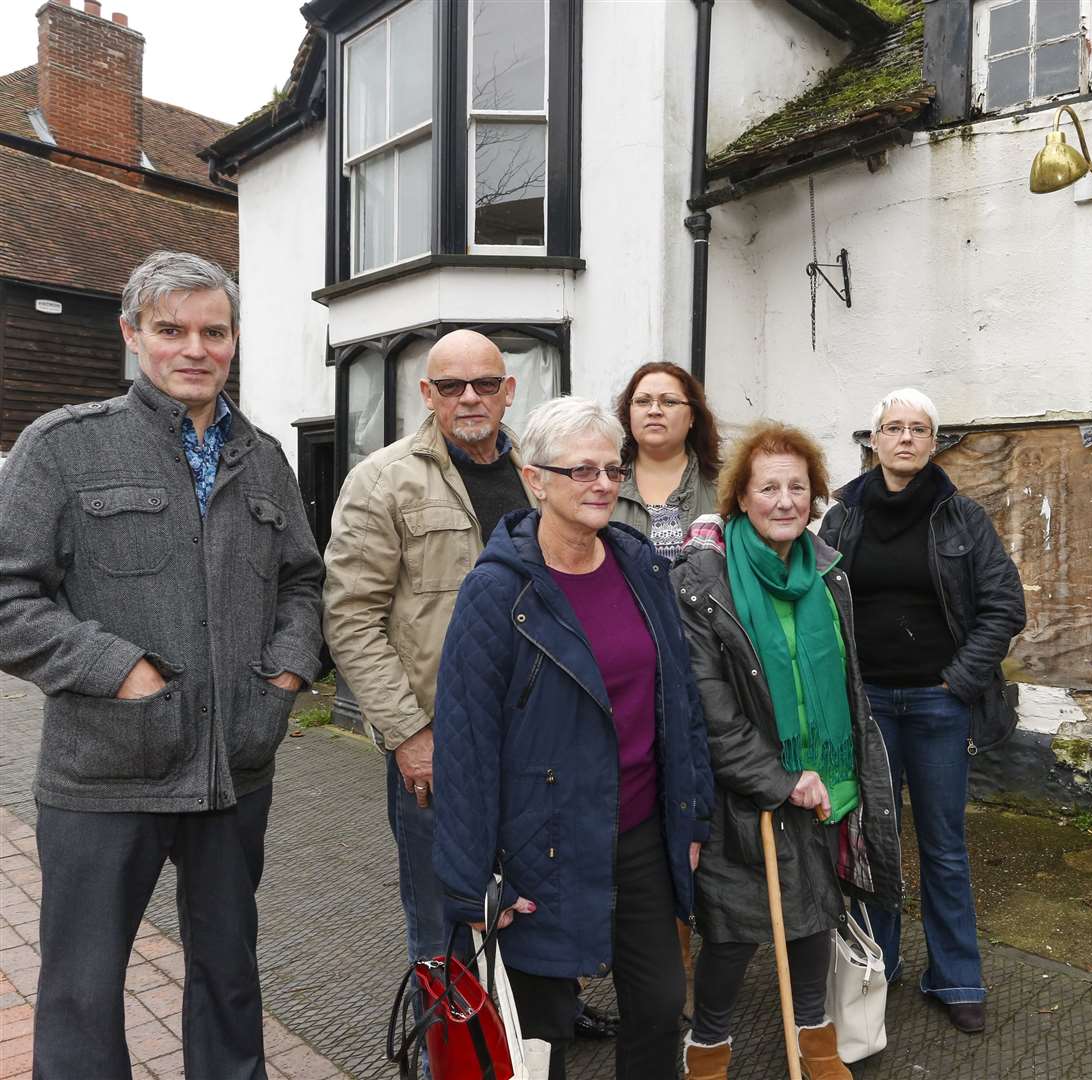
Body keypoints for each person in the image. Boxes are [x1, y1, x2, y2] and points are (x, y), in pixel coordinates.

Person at [0, 250, 323, 1078]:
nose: (194, 348)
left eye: (213, 332)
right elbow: (9, 599)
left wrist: (284, 677)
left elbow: (303, 583)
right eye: (171, 329)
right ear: (133, 335)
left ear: (234, 340)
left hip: (233, 769)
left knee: (230, 976)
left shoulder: (265, 458)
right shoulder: (64, 449)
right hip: (105, 774)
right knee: (81, 991)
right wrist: (119, 669)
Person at [433, 397, 712, 1080]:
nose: (602, 485)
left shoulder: (640, 565)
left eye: (612, 470)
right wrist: (472, 885)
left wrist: (693, 811)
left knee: (659, 1001)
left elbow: (679, 698)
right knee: (543, 1028)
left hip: (642, 829)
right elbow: (465, 743)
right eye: (581, 470)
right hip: (543, 840)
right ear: (535, 480)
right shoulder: (498, 591)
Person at [323, 329, 548, 1021]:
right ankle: (449, 1047)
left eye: (485, 383)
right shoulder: (383, 479)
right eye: (451, 386)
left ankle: (531, 1025)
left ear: (510, 391)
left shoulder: (544, 474)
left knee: (535, 893)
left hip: (538, 735)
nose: (470, 398)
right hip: (441, 741)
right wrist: (408, 734)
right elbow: (351, 618)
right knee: (446, 913)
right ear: (427, 394)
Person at [672, 421, 902, 1080]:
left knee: (814, 918)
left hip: (827, 784)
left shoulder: (831, 576)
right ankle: (708, 1047)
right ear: (740, 498)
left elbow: (849, 686)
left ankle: (816, 1043)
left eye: (797, 487)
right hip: (743, 791)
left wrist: (842, 774)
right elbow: (709, 713)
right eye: (767, 487)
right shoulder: (702, 582)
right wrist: (779, 777)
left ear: (815, 496)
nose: (783, 500)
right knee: (735, 933)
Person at [818, 388, 1026, 1035]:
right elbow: (817, 605)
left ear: (933, 443)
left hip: (938, 705)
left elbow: (1005, 605)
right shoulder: (842, 516)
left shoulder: (961, 517)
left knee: (942, 845)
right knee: (874, 845)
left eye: (918, 429)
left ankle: (957, 977)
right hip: (869, 704)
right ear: (873, 440)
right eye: (892, 427)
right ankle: (878, 966)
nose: (905, 438)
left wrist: (958, 681)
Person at [610, 361, 721, 555]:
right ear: (629, 413)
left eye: (669, 401)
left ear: (693, 416)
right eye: (643, 401)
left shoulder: (724, 485)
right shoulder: (603, 482)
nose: (654, 410)